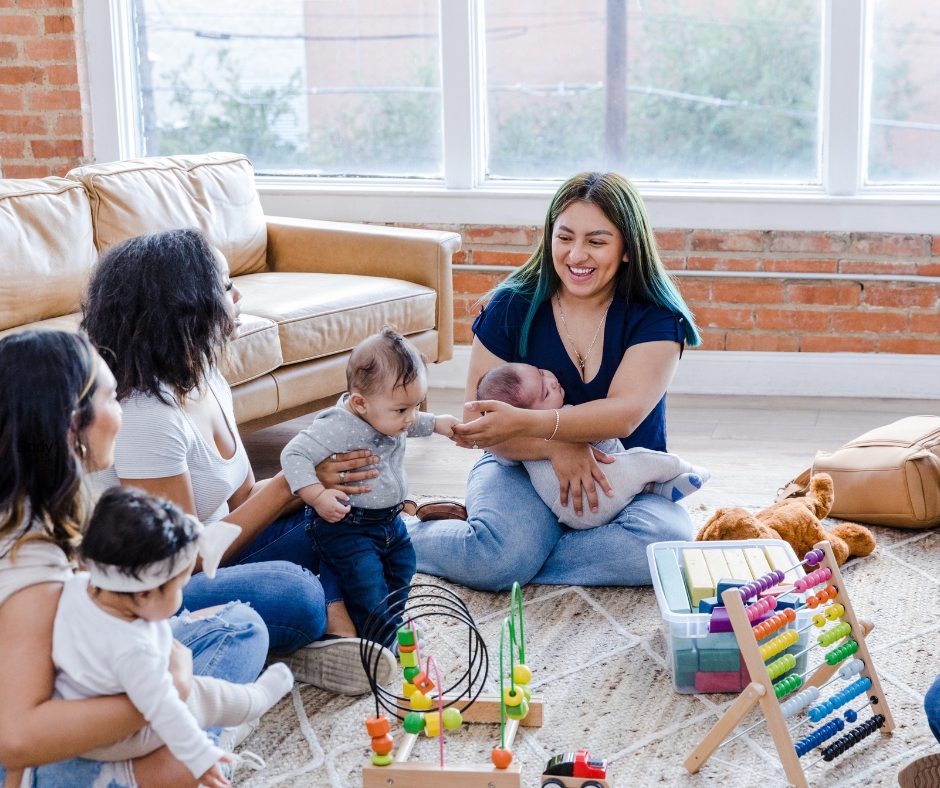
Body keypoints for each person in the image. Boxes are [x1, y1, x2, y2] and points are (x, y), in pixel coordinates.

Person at [82, 229, 395, 693]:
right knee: (298, 592)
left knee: (358, 522)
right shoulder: (146, 415)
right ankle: (294, 632)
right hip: (162, 585)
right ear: (186, 305)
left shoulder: (206, 378)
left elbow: (244, 498)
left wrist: (316, 479)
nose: (238, 293)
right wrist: (291, 483)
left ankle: (301, 638)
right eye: (226, 284)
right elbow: (179, 563)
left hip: (222, 555)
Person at [406, 171, 703, 591]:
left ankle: (515, 552)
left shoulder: (656, 317)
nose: (576, 255)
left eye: (596, 242)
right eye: (564, 238)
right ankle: (399, 538)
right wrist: (556, 446)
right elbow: (479, 420)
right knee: (500, 559)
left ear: (626, 250)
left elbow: (623, 416)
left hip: (624, 476)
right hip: (519, 467)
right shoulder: (512, 304)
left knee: (666, 546)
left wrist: (560, 436)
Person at [0, 329, 269, 788]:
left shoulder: (41, 505)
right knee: (183, 756)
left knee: (242, 626)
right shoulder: (32, 568)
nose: (123, 412)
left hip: (82, 671)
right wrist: (168, 691)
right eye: (113, 397)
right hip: (26, 738)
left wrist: (169, 659)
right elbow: (18, 737)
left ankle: (190, 733)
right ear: (72, 424)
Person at [45, 486, 296, 788]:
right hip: (119, 739)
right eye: (178, 587)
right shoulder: (133, 649)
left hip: (77, 718)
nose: (182, 595)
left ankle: (229, 725)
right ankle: (254, 703)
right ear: (143, 593)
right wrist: (200, 758)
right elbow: (165, 709)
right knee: (200, 695)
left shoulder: (78, 586)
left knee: (230, 638)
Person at [281, 327, 459, 642]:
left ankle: (385, 622)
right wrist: (318, 496)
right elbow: (293, 454)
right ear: (361, 403)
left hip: (390, 521)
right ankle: (378, 643)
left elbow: (411, 421)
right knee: (368, 584)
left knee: (404, 567)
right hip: (348, 527)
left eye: (416, 406)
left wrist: (439, 424)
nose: (411, 417)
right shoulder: (339, 427)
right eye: (403, 409)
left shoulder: (387, 413)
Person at [475, 362, 708, 529]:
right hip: (598, 493)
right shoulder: (566, 415)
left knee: (665, 532)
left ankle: (657, 489)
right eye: (546, 393)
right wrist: (555, 446)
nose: (552, 380)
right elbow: (604, 441)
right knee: (645, 461)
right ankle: (687, 470)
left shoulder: (515, 443)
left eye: (540, 372)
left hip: (565, 511)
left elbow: (502, 454)